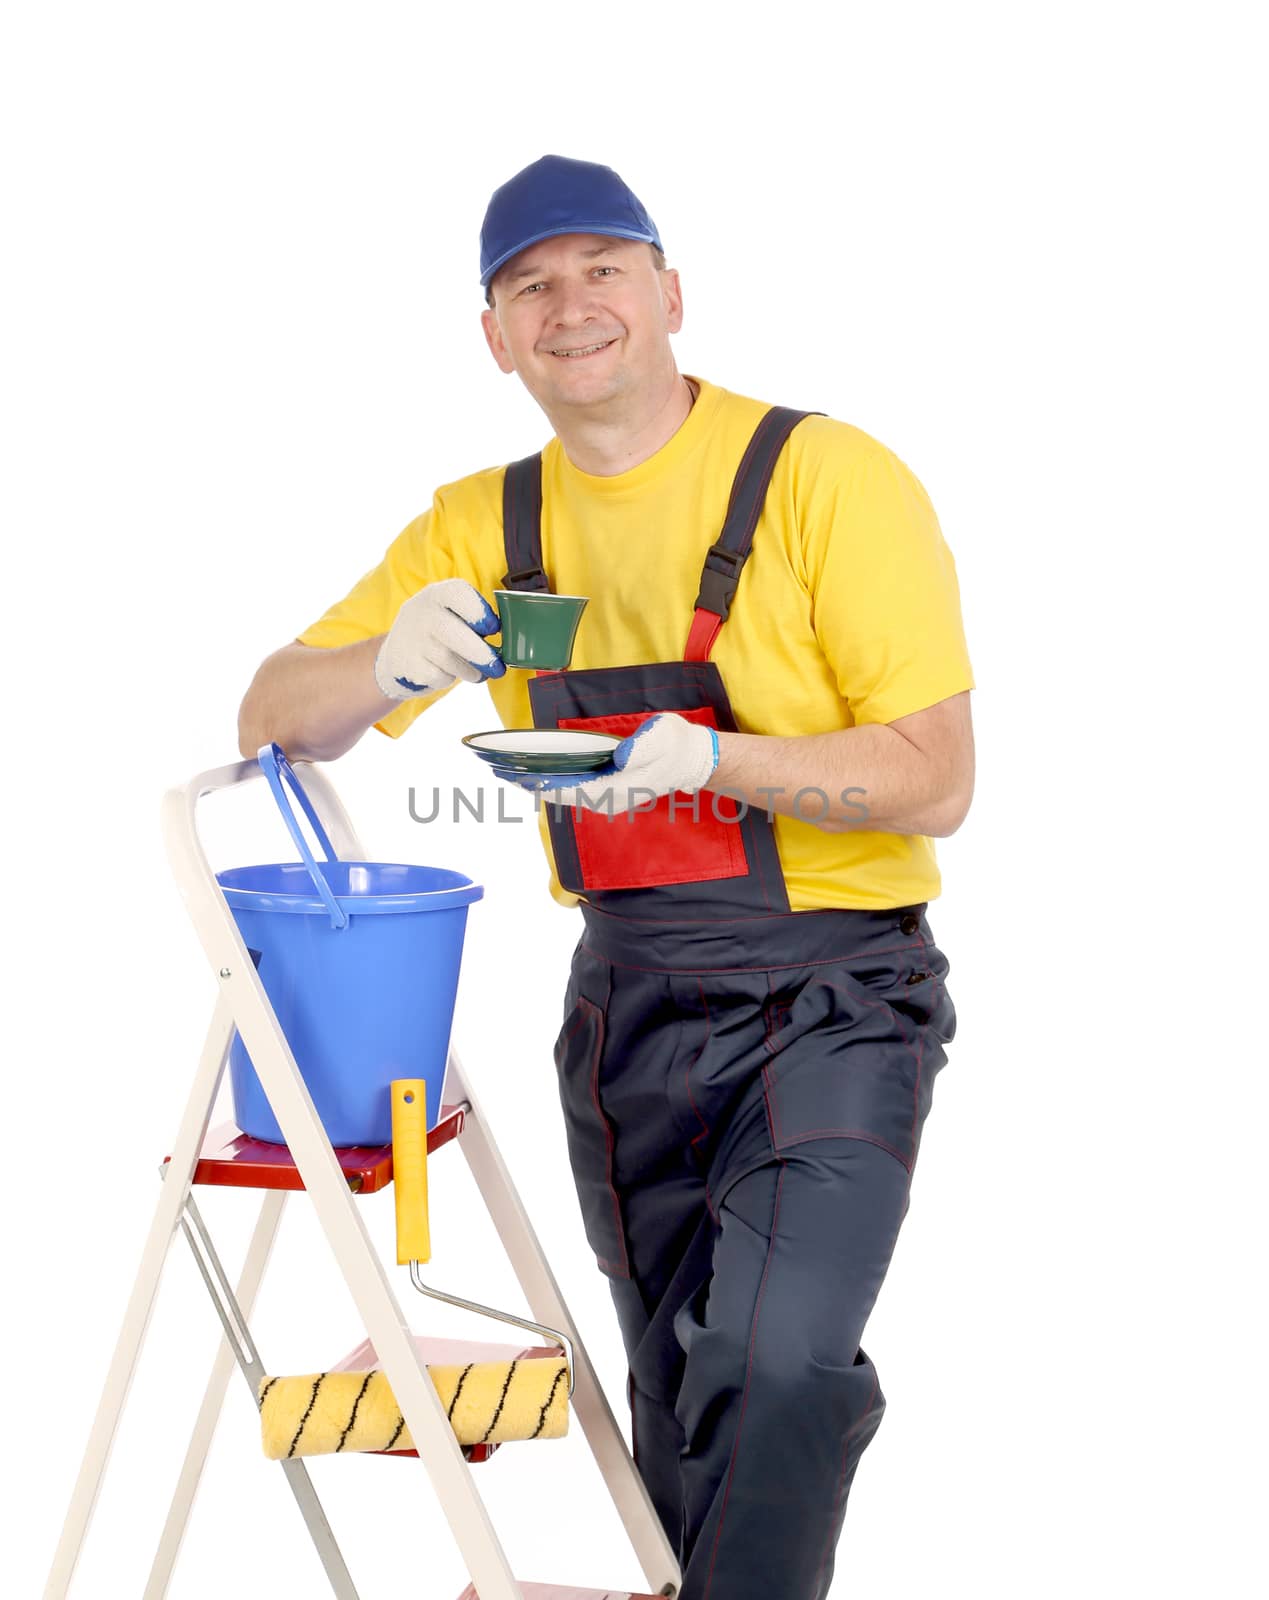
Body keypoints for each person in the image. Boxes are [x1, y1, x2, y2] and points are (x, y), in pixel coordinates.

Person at [238, 152, 976, 1600]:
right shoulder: (481, 524)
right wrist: (383, 663)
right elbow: (268, 716)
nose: (570, 305)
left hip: (833, 994)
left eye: (602, 269)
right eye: (530, 284)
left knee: (777, 1365)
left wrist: (711, 761)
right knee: (674, 1387)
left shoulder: (823, 477)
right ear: (496, 337)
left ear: (669, 293)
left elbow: (935, 778)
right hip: (625, 1010)